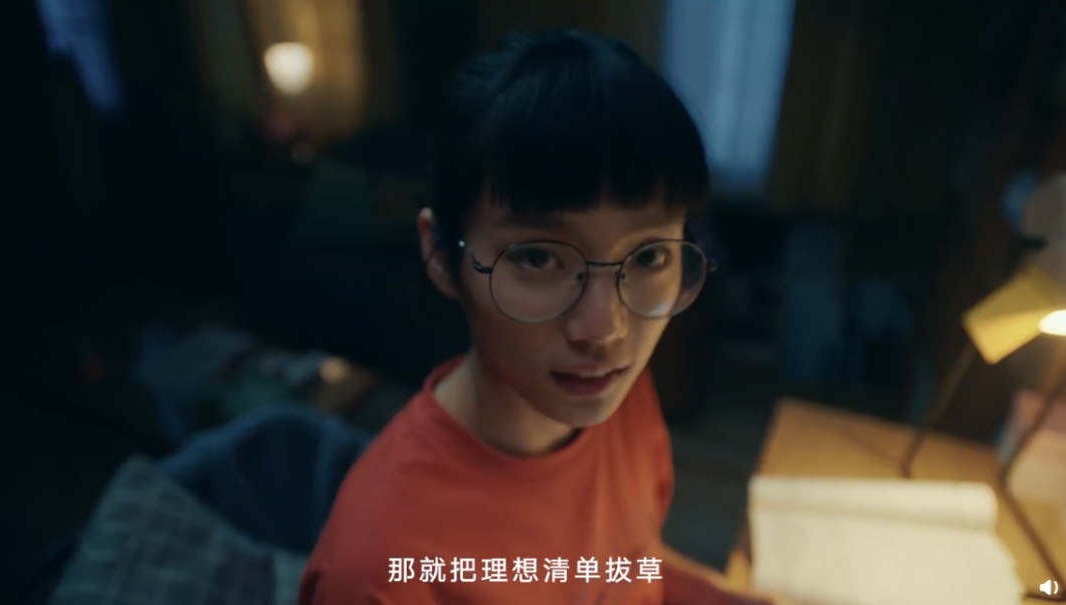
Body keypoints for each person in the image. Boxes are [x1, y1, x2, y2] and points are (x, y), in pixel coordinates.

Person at [300, 29, 790, 605]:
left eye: (648, 257)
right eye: (538, 258)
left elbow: (625, 568)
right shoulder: (384, 570)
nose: (605, 330)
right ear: (440, 255)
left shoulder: (617, 395)